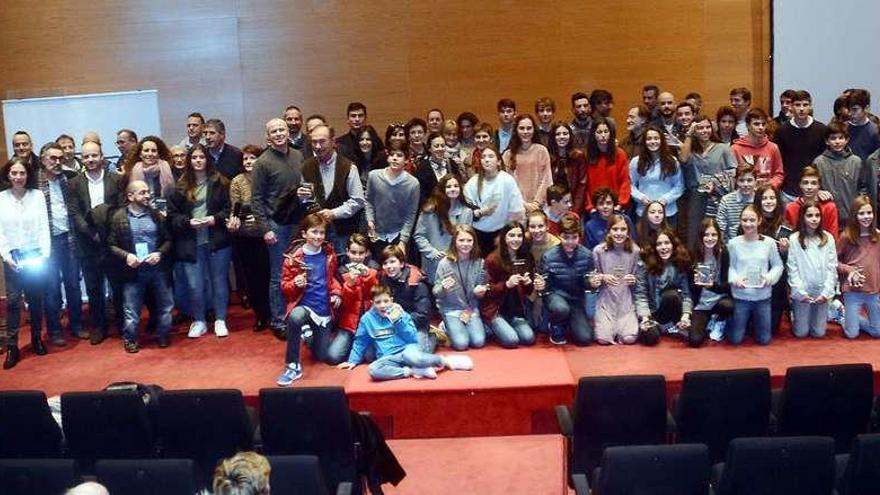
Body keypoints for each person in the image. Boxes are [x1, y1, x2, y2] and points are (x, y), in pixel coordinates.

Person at [338, 285, 473, 381]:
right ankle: (413, 371)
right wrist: (352, 361)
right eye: (378, 302)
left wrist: (398, 321)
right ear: (372, 303)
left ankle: (445, 361)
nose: (383, 305)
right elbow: (361, 341)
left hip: (406, 350)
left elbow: (412, 337)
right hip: (388, 356)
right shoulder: (367, 319)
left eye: (386, 301)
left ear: (391, 300)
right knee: (373, 370)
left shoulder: (401, 314)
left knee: (415, 358)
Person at [168, 144, 233, 338]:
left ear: (207, 160)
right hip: (190, 242)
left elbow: (228, 209)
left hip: (217, 240)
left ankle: (220, 319)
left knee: (219, 281)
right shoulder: (179, 186)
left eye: (201, 157)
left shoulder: (220, 182)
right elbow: (172, 216)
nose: (198, 160)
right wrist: (188, 222)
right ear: (189, 161)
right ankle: (199, 320)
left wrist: (214, 219)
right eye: (194, 157)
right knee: (195, 285)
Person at [250, 118, 305, 336]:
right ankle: (279, 320)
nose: (279, 133)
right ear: (268, 136)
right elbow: (256, 200)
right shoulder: (262, 163)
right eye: (274, 131)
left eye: (282, 129)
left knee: (299, 272)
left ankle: (296, 316)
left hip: (298, 223)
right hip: (277, 225)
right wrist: (266, 229)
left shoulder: (299, 155)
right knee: (278, 275)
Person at [107, 180, 174, 353]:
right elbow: (111, 245)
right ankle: (130, 339)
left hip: (157, 269)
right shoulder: (119, 217)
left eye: (147, 192)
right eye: (142, 192)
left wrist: (159, 253)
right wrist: (127, 256)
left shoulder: (155, 215)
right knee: (131, 309)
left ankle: (163, 334)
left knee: (166, 305)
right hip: (133, 271)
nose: (147, 195)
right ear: (131, 196)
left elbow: (168, 240)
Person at [276, 214, 344, 386]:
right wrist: (295, 283)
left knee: (321, 356)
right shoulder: (293, 259)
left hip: (324, 311)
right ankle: (292, 365)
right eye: (314, 232)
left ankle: (308, 334)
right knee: (296, 316)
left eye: (322, 232)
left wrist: (336, 292)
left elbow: (333, 278)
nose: (318, 236)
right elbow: (284, 287)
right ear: (304, 233)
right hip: (305, 308)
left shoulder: (329, 253)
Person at [70, 140, 122, 344]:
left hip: (112, 243)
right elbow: (74, 213)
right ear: (82, 159)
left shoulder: (116, 180)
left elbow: (121, 208)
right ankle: (99, 326)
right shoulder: (73, 183)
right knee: (93, 289)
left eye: (94, 155)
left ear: (102, 157)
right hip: (88, 243)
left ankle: (121, 324)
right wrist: (91, 233)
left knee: (117, 287)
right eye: (86, 156)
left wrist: (109, 233)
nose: (90, 159)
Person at [0, 158, 50, 369]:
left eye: (22, 173)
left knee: (35, 299)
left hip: (35, 255)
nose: (18, 177)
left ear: (28, 175)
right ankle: (12, 346)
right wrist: (5, 255)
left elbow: (43, 227)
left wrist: (45, 255)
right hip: (13, 256)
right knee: (12, 302)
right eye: (14, 173)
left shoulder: (37, 196)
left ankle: (37, 338)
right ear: (8, 175)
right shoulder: (1, 198)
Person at [37, 143, 84, 346]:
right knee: (52, 288)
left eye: (60, 158)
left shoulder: (70, 179)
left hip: (69, 239)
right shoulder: (34, 183)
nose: (57, 162)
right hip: (47, 243)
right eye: (52, 158)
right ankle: (55, 330)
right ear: (42, 160)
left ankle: (77, 325)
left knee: (73, 285)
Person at [301, 124, 365, 255]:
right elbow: (306, 200)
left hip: (343, 232)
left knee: (342, 271)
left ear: (333, 142)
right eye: (314, 142)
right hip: (316, 234)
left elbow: (358, 201)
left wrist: (334, 213)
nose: (317, 146)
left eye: (322, 141)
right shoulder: (306, 166)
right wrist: (302, 198)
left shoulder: (348, 167)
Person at [227, 144, 271, 331]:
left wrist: (260, 217)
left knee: (268, 277)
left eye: (252, 158)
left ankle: (273, 313)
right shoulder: (237, 181)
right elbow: (235, 208)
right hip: (244, 236)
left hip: (265, 236)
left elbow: (273, 206)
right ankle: (259, 315)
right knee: (251, 279)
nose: (248, 161)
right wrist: (235, 220)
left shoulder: (267, 179)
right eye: (245, 159)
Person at [726, 204, 784, 345]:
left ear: (759, 221)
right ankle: (725, 322)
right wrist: (736, 280)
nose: (748, 224)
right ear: (740, 221)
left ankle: (750, 325)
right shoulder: (733, 244)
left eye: (752, 220)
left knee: (764, 340)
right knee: (735, 339)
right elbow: (730, 267)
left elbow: (778, 265)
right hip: (741, 297)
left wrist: (769, 279)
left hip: (762, 297)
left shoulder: (769, 243)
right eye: (744, 220)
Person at [678, 114, 737, 245]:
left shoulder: (723, 148)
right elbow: (683, 160)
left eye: (707, 127)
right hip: (696, 197)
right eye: (700, 128)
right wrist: (689, 135)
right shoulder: (691, 150)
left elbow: (733, 171)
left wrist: (715, 182)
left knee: (715, 233)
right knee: (694, 234)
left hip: (717, 196)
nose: (704, 131)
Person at [480, 222, 539, 348]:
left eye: (519, 236)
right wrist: (506, 284)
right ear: (504, 238)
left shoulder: (527, 257)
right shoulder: (492, 259)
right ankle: (490, 326)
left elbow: (529, 291)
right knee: (511, 341)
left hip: (516, 310)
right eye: (511, 235)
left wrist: (529, 283)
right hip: (495, 309)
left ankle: (504, 326)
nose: (516, 239)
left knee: (529, 339)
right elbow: (487, 289)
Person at [540, 213, 594, 345]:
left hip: (576, 299)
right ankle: (555, 323)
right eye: (566, 237)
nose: (570, 242)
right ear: (559, 236)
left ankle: (569, 322)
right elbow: (544, 290)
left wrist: (592, 283)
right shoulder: (548, 257)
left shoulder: (587, 255)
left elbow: (588, 285)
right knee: (561, 309)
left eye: (574, 237)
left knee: (585, 339)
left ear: (579, 237)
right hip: (556, 297)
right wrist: (541, 286)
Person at [787, 200, 838, 338]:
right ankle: (794, 314)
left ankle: (833, 307)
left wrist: (826, 293)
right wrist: (800, 293)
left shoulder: (828, 238)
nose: (814, 219)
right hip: (803, 291)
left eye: (817, 215)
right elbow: (793, 269)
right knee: (801, 333)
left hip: (821, 290)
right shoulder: (794, 239)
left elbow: (832, 268)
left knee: (819, 333)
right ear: (803, 217)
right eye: (810, 215)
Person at [433, 225, 488, 351]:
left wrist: (480, 292)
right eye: (461, 240)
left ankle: (464, 327)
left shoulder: (480, 262)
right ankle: (445, 326)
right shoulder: (444, 263)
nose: (465, 244)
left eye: (469, 240)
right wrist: (443, 288)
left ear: (474, 242)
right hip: (450, 308)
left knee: (478, 342)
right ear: (454, 242)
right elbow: (435, 292)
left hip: (470, 307)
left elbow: (482, 288)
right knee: (461, 344)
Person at [635, 228, 693, 345]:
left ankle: (674, 325)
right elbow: (640, 295)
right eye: (659, 244)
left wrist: (685, 317)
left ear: (673, 245)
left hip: (672, 307)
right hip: (652, 312)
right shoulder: (644, 265)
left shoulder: (679, 263)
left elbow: (687, 295)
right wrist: (645, 319)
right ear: (654, 247)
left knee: (672, 295)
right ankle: (664, 327)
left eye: (667, 243)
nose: (663, 247)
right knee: (651, 338)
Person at [413, 173, 474, 283]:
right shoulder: (429, 210)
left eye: (456, 186)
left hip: (457, 264)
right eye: (449, 186)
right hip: (433, 263)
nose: (453, 189)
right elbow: (419, 236)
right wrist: (432, 252)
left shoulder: (467, 212)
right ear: (442, 189)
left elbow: (467, 240)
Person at [464, 146, 525, 254]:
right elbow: (466, 211)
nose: (486, 159)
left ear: (499, 162)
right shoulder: (472, 183)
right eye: (483, 157)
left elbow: (517, 211)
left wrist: (505, 235)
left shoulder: (507, 180)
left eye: (491, 156)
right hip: (477, 234)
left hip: (500, 232)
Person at [365, 142, 420, 260]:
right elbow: (368, 201)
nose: (395, 158)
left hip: (398, 235)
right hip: (376, 234)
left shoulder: (413, 183)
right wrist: (370, 220)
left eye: (399, 155)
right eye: (392, 155)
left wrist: (403, 241)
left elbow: (411, 214)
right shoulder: (374, 176)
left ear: (406, 159)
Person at [590, 214, 640, 345]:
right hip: (606, 301)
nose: (619, 233)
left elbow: (639, 280)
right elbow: (592, 277)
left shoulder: (635, 251)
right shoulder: (598, 251)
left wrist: (634, 279)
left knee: (629, 338)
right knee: (603, 339)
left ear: (628, 232)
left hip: (625, 302)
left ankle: (624, 326)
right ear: (609, 231)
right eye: (615, 229)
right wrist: (602, 277)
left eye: (623, 229)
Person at [836, 196, 880, 339]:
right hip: (852, 291)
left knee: (877, 332)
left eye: (869, 213)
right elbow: (833, 262)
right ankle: (842, 315)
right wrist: (849, 270)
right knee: (852, 333)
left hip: (873, 291)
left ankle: (850, 317)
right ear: (855, 215)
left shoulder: (878, 236)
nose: (866, 217)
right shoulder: (846, 237)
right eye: (861, 213)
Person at [377, 244, 435, 352]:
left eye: (392, 262)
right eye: (385, 263)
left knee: (418, 354)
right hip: (393, 323)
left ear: (402, 263)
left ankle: (432, 337)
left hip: (416, 324)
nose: (389, 266)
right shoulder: (382, 279)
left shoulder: (416, 282)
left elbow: (423, 315)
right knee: (373, 353)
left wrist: (400, 319)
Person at [773, 90, 828, 203]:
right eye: (797, 105)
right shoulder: (781, 131)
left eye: (805, 105)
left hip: (814, 191)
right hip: (788, 192)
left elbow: (824, 162)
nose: (801, 109)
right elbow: (778, 162)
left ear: (810, 107)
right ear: (791, 107)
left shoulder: (821, 130)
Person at [814, 122, 870, 227]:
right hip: (827, 218)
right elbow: (813, 186)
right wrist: (818, 192)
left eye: (841, 138)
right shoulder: (819, 162)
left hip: (851, 218)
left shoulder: (856, 162)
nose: (837, 142)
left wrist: (859, 207)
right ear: (827, 141)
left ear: (847, 140)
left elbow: (863, 188)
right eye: (833, 138)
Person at [689, 219, 733, 346]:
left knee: (728, 306)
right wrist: (695, 282)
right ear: (700, 236)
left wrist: (712, 286)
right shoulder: (694, 254)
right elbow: (689, 287)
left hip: (720, 300)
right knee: (694, 341)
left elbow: (727, 286)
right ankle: (708, 321)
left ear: (719, 236)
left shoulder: (723, 253)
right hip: (701, 304)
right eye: (706, 235)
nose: (710, 238)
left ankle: (719, 320)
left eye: (714, 235)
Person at [756, 183, 792, 332]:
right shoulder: (751, 223)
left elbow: (789, 262)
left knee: (770, 329)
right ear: (758, 201)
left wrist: (785, 251)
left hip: (776, 284)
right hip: (755, 279)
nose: (768, 201)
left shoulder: (785, 227)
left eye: (772, 198)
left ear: (778, 201)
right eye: (764, 198)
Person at [629, 127, 684, 223]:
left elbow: (679, 186)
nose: (653, 141)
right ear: (644, 142)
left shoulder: (672, 161)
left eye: (656, 138)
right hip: (644, 212)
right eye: (649, 139)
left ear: (662, 140)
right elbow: (630, 185)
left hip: (668, 212)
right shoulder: (635, 162)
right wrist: (641, 197)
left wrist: (665, 200)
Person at [503, 114, 552, 213]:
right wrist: (523, 204)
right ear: (516, 130)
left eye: (529, 128)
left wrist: (536, 203)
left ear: (534, 130)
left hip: (540, 207)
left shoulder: (541, 151)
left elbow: (546, 179)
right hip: (516, 207)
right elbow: (507, 184)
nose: (525, 132)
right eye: (522, 128)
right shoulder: (507, 155)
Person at [336, 234, 378, 350]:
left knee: (370, 355)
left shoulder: (374, 268)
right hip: (349, 323)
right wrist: (350, 285)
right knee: (333, 357)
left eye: (361, 253)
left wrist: (368, 277)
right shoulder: (341, 271)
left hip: (371, 321)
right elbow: (343, 304)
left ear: (367, 253)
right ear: (347, 252)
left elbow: (378, 297)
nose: (357, 257)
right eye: (353, 252)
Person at [583, 118, 632, 213]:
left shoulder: (620, 154)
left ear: (611, 133)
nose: (603, 135)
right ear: (593, 134)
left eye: (606, 131)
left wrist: (620, 204)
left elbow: (625, 182)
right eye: (599, 132)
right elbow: (585, 186)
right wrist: (590, 207)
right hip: (594, 209)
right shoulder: (586, 156)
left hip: (616, 207)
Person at [121, 136, 176, 214]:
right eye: (146, 150)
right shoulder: (130, 173)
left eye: (154, 151)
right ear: (140, 154)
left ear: (158, 154)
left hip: (166, 216)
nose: (150, 154)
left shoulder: (169, 170)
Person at [731, 108, 784, 189]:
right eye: (756, 124)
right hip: (744, 193)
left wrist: (769, 185)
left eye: (763, 124)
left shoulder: (773, 148)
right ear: (748, 125)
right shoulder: (735, 149)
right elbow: (733, 177)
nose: (761, 127)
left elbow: (779, 175)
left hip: (766, 194)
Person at [783, 166, 839, 240]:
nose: (809, 187)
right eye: (805, 183)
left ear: (819, 185)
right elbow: (787, 236)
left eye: (813, 183)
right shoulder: (791, 208)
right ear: (800, 185)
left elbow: (833, 236)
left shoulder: (829, 207)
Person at [547, 121, 587, 211]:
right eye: (558, 134)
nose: (562, 137)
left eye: (565, 133)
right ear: (553, 137)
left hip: (573, 205)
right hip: (553, 206)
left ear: (570, 136)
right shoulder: (547, 157)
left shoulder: (578, 156)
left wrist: (575, 209)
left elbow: (582, 185)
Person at [414, 132, 461, 207]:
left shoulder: (452, 164)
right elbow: (421, 194)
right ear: (429, 148)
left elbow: (459, 186)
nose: (440, 149)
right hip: (431, 209)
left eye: (442, 146)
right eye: (436, 146)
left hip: (452, 207)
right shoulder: (422, 167)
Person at [717, 164, 758, 241]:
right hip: (732, 245)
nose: (745, 184)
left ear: (755, 181)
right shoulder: (726, 201)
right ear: (736, 181)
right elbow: (721, 229)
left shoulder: (760, 199)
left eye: (749, 180)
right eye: (741, 180)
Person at [845, 89, 880, 161]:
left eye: (855, 109)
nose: (850, 113)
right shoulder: (843, 129)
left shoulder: (875, 131)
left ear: (866, 108)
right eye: (849, 109)